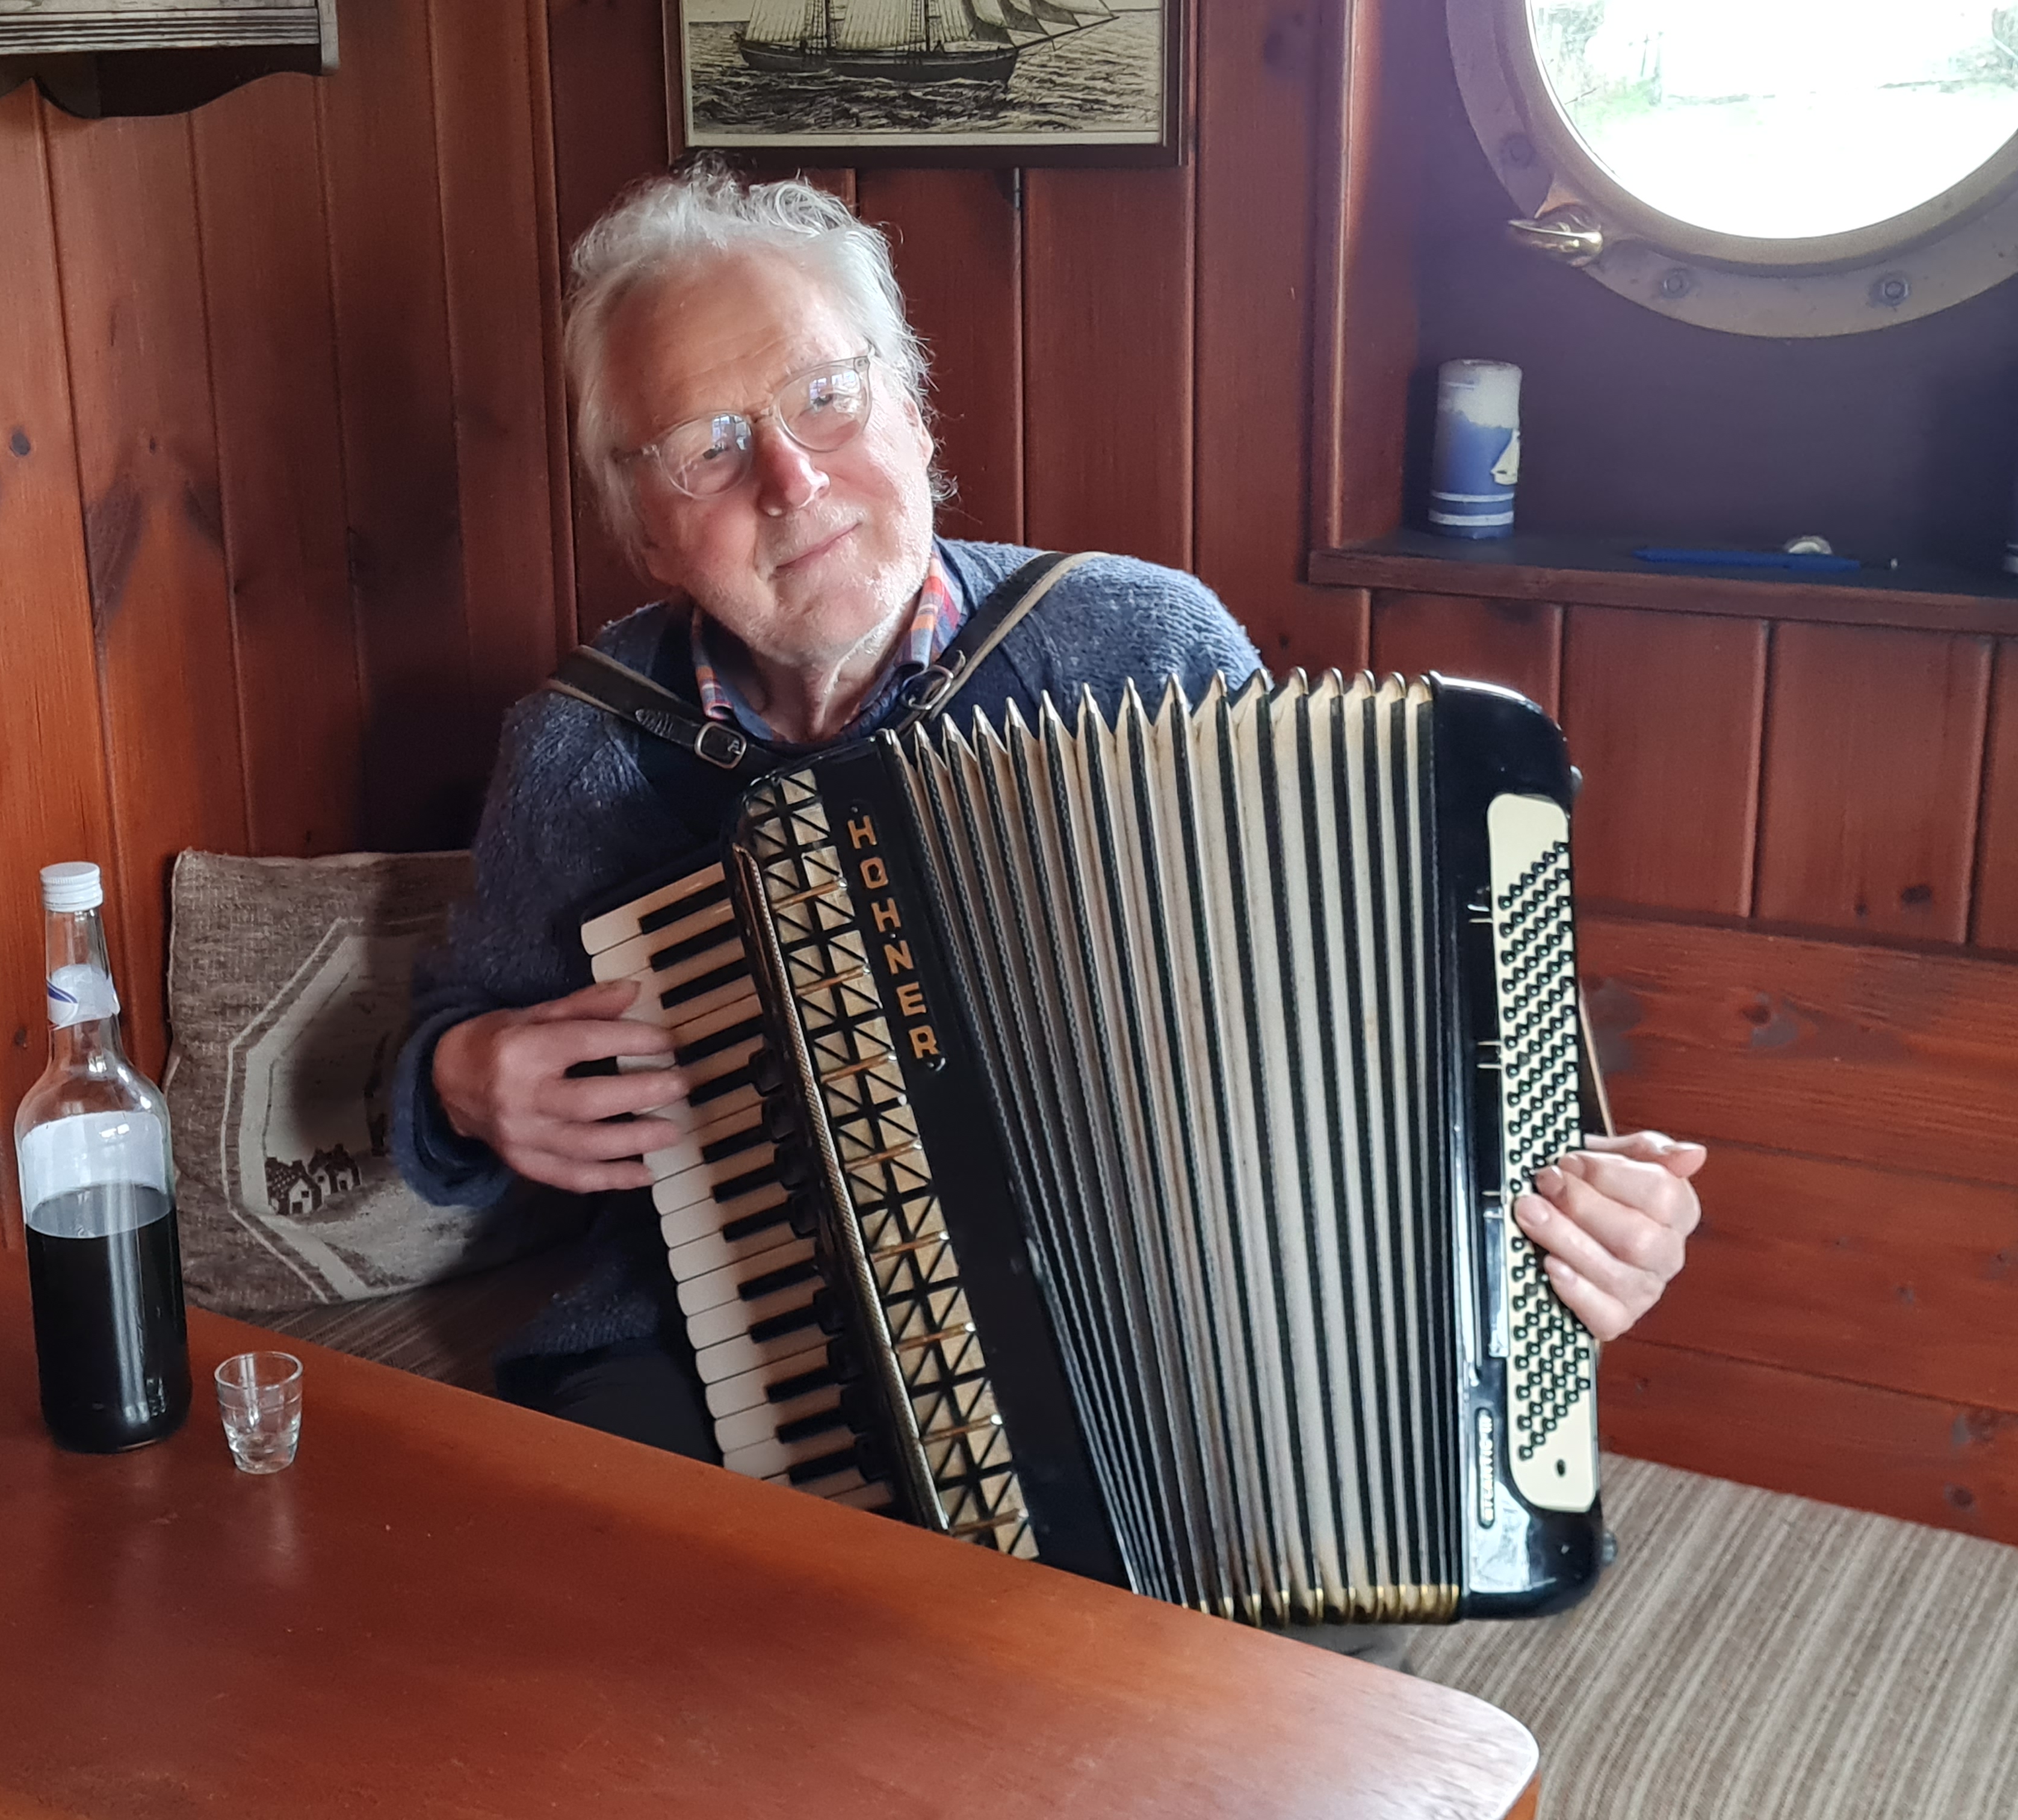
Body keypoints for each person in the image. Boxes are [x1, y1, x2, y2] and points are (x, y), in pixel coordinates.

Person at [392, 167, 1704, 1648]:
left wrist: (1573, 1208)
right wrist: (461, 1078)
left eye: (827, 396)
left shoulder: (1134, 640)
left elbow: (1374, 1012)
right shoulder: (580, 748)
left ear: (915, 415)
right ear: (641, 527)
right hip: (723, 1359)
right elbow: (461, 1038)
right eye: (706, 447)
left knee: (1274, 1703)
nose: (793, 480)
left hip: (1178, 1381)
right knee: (623, 1662)